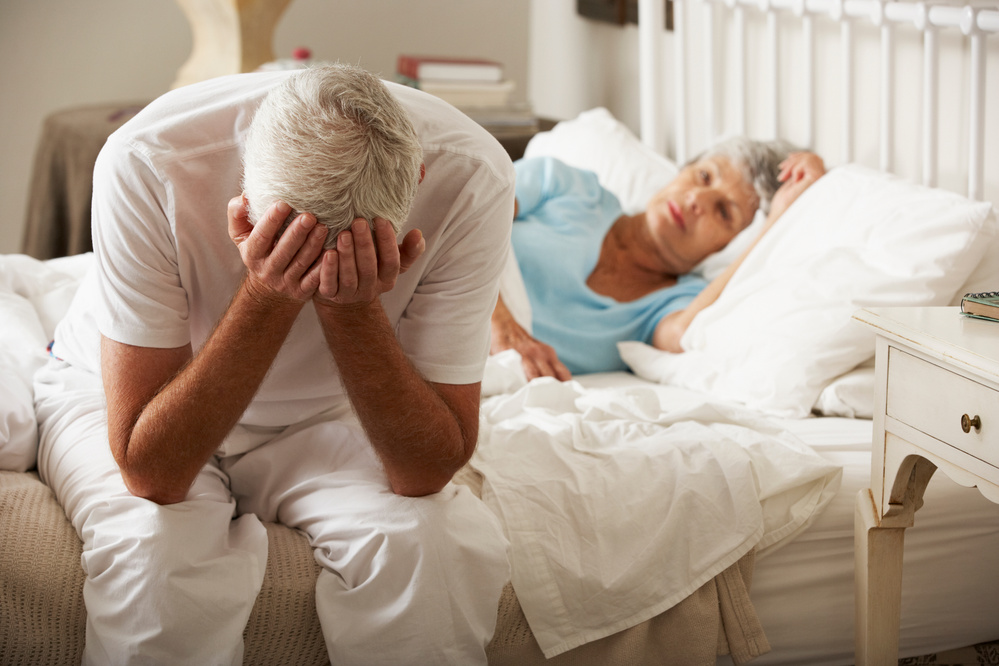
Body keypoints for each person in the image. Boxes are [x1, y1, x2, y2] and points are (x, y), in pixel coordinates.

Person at [33, 64, 515, 665]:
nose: (316, 271)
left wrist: (352, 305)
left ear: (418, 179)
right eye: (289, 242)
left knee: (427, 552)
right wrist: (267, 293)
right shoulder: (147, 158)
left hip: (330, 410)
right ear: (241, 185)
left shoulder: (474, 175)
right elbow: (152, 471)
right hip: (124, 391)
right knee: (155, 562)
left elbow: (425, 469)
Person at [490, 140, 825, 380]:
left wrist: (777, 221)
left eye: (723, 212)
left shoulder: (674, 302)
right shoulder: (570, 188)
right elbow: (466, 213)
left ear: (732, 245)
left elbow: (682, 333)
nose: (697, 198)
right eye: (705, 176)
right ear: (680, 172)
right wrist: (498, 321)